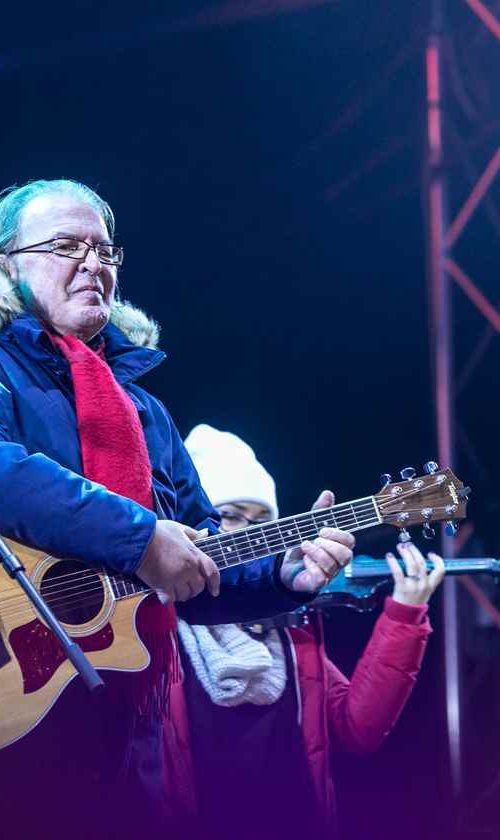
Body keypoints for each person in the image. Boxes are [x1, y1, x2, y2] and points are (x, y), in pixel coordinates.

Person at [0, 179, 355, 839]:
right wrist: (140, 540)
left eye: (105, 250)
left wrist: (283, 575)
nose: (94, 264)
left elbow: (198, 555)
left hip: (129, 728)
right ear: (6, 265)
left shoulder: (146, 412)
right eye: (67, 246)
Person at [180, 423, 446, 840]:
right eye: (229, 516)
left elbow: (357, 729)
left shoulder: (293, 631)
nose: (248, 533)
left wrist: (404, 615)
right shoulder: (153, 629)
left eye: (262, 521)